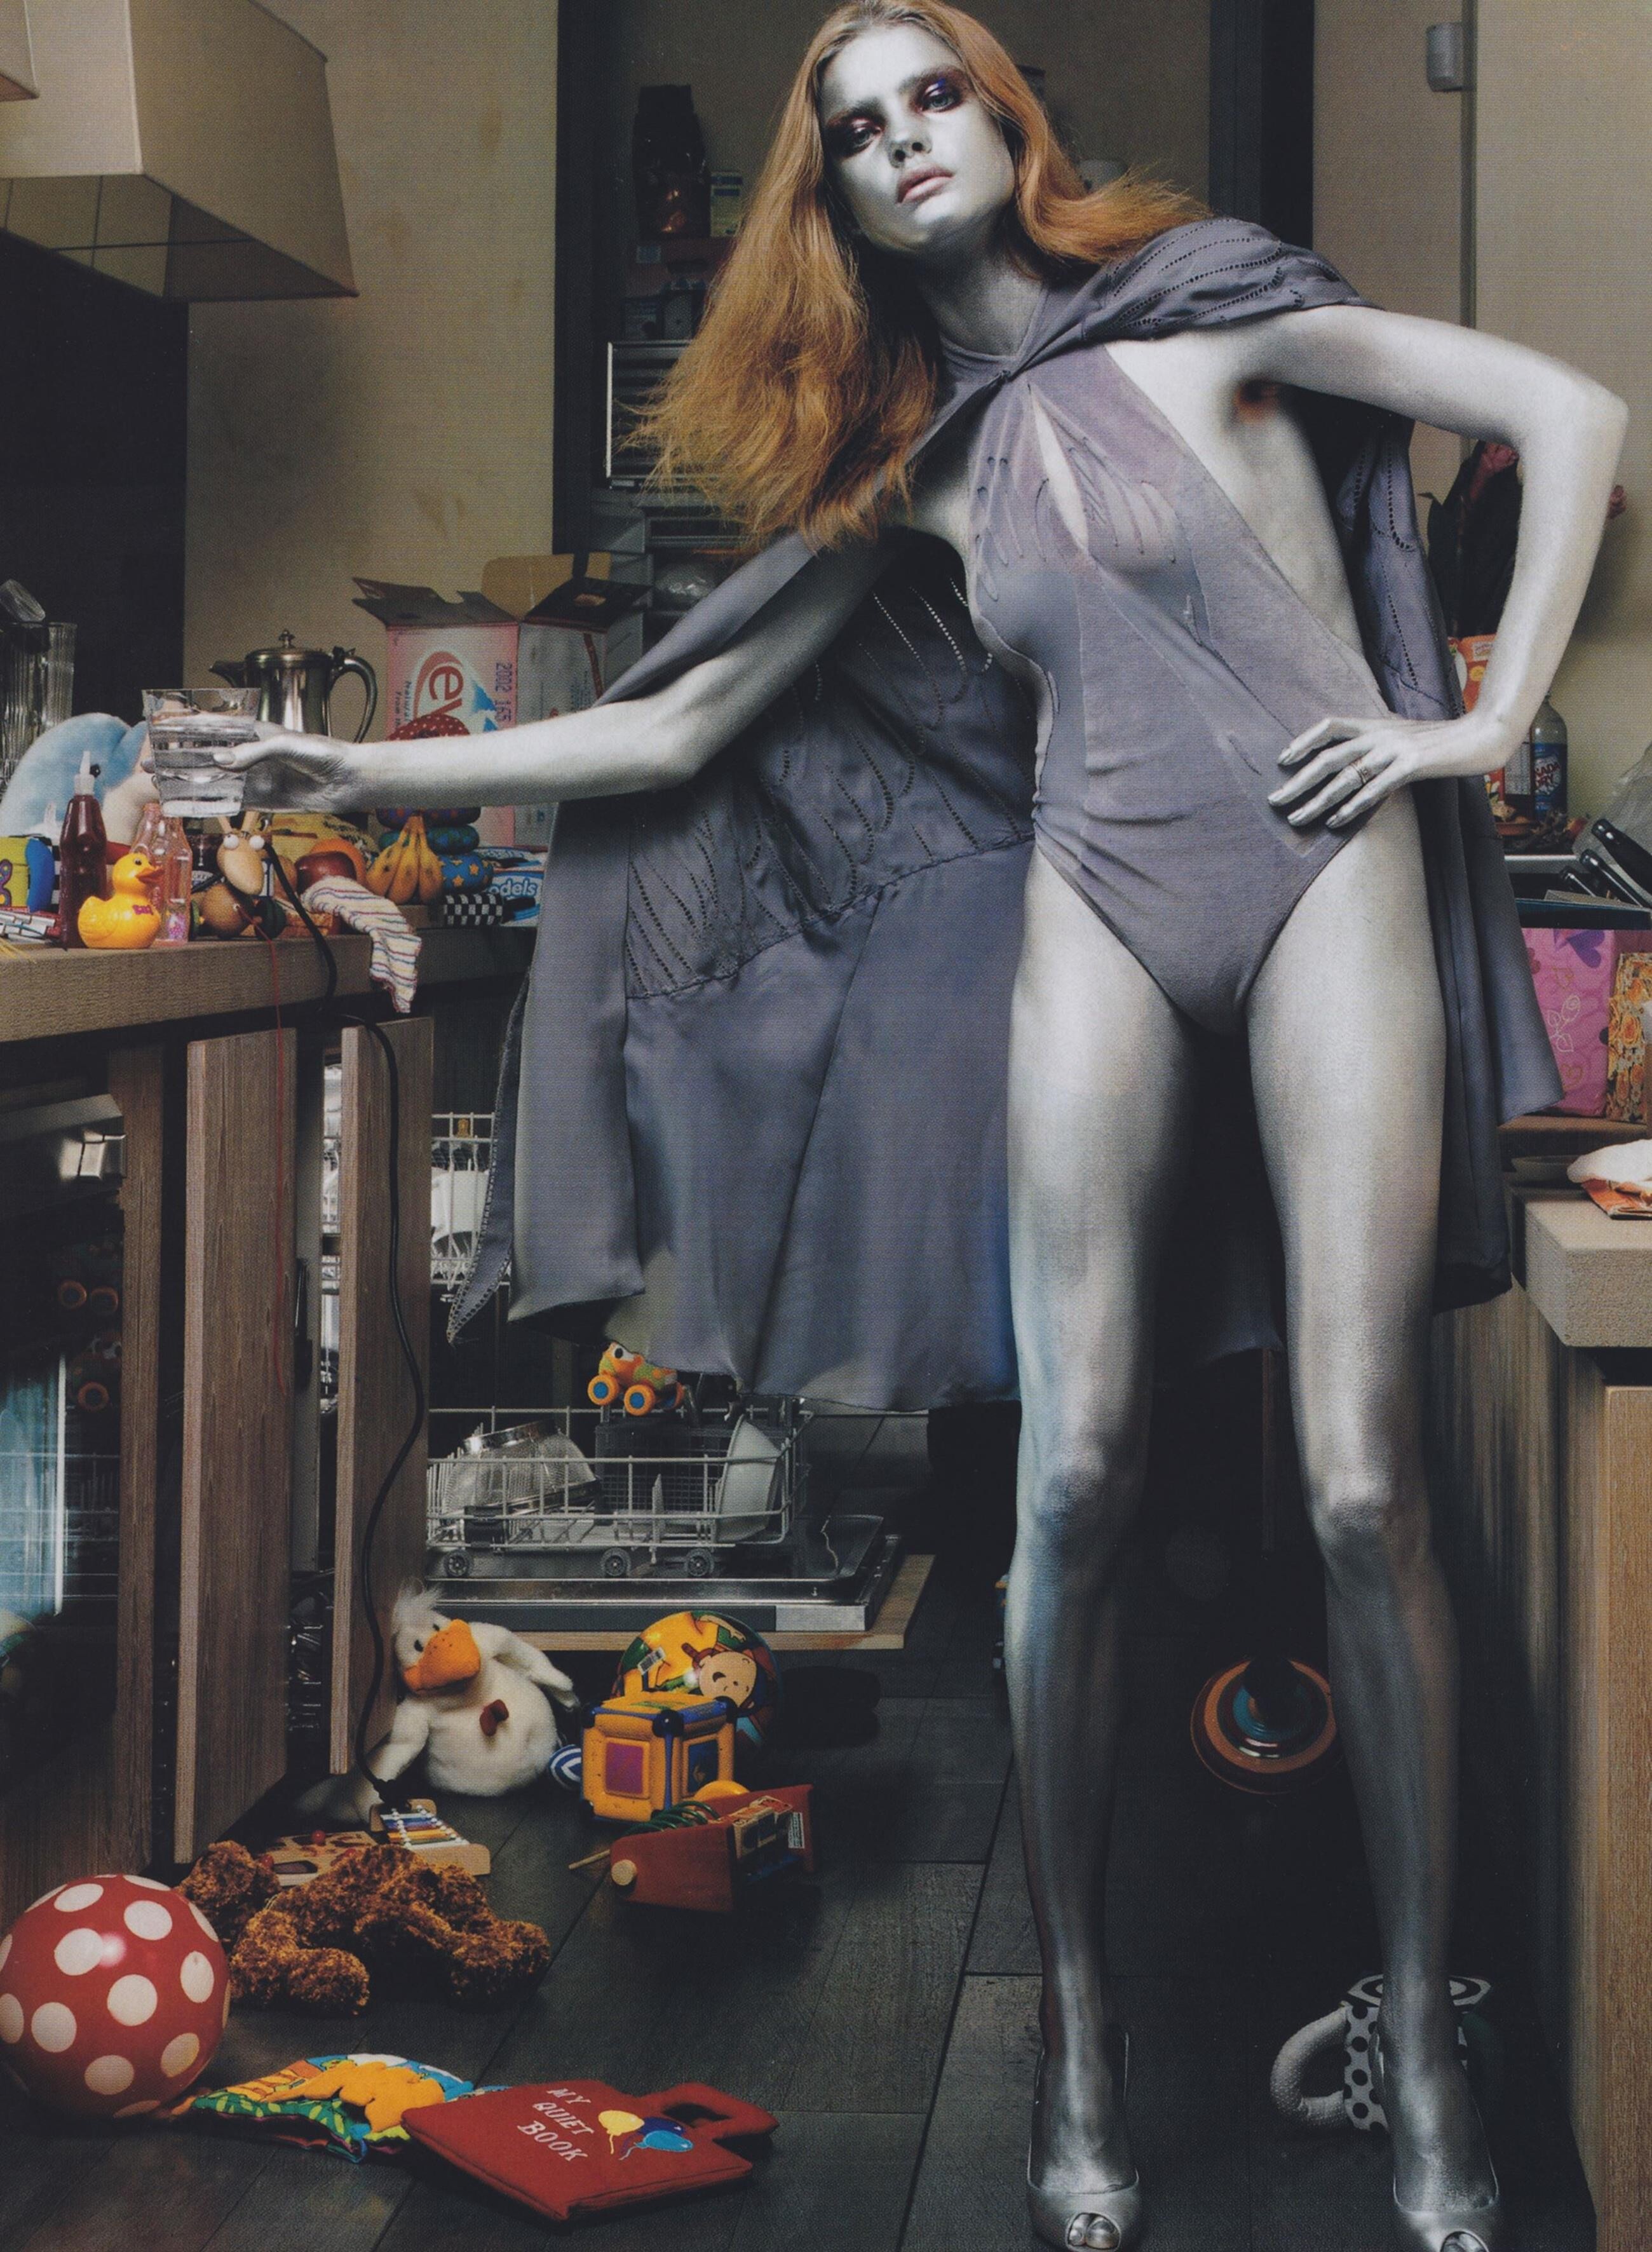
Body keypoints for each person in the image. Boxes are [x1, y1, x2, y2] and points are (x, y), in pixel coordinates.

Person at [226, 8, 1625, 2246]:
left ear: (1003, 115)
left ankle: (1427, 2050)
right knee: (1070, 1477)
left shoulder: (1218, 314)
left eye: (933, 97)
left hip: (1327, 872)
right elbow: (673, 730)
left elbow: (1571, 414)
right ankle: (1077, 2034)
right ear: (839, 202)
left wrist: (1476, 727)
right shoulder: (923, 470)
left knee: (1365, 1478)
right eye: (858, 128)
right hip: (1096, 899)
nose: (903, 143)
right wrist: (362, 770)